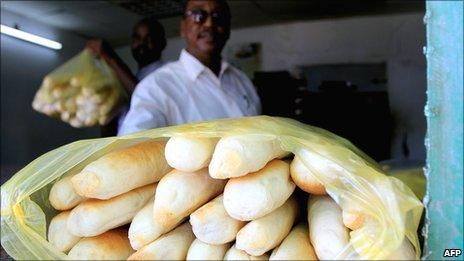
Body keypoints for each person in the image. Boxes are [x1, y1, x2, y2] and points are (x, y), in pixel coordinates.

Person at [118, 0, 261, 135]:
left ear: (228, 29)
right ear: (183, 28)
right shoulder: (155, 86)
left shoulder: (242, 80)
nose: (209, 23)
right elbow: (133, 148)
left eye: (218, 15)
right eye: (198, 15)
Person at [86, 17, 167, 136]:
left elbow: (143, 95)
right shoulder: (133, 77)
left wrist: (111, 58)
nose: (141, 44)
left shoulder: (166, 74)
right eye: (137, 38)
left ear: (162, 43)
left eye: (149, 39)